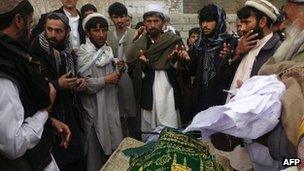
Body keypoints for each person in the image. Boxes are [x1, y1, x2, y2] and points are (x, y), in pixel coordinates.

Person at [0, 1, 70, 170]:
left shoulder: (13, 56)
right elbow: (13, 144)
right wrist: (45, 111)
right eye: (30, 23)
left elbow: (18, 108)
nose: (31, 30)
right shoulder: (4, 72)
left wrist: (49, 121)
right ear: (19, 20)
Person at [29, 13, 85, 170]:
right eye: (49, 29)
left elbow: (71, 75)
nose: (53, 35)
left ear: (67, 32)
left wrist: (77, 81)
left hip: (70, 113)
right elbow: (34, 89)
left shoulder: (67, 52)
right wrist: (57, 85)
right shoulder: (35, 53)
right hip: (50, 120)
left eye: (58, 31)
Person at [127, 7, 189, 141]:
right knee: (150, 131)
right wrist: (141, 64)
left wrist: (177, 60)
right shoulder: (141, 43)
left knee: (171, 130)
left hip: (169, 91)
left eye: (156, 21)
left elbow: (183, 68)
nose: (153, 25)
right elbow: (130, 64)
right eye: (149, 21)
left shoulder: (173, 40)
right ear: (144, 23)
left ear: (163, 22)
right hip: (149, 90)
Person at [77, 13, 124, 170]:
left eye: (104, 30)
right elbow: (83, 85)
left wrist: (120, 67)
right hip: (94, 111)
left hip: (111, 107)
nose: (101, 34)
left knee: (115, 152)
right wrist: (105, 80)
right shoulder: (83, 54)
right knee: (94, 157)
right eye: (96, 31)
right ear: (88, 33)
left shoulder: (108, 52)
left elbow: (115, 76)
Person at [187, 4, 239, 121]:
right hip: (200, 100)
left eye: (209, 21)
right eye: (202, 21)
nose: (204, 25)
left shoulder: (232, 43)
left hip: (221, 100)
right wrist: (184, 59)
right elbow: (192, 72)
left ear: (219, 21)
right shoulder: (199, 45)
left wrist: (228, 58)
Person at [227, 0, 282, 101]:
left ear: (262, 22)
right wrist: (237, 52)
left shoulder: (278, 51)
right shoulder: (242, 44)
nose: (242, 28)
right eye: (241, 22)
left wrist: (248, 93)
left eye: (246, 22)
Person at [107, 2, 139, 139]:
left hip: (131, 78)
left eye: (122, 16)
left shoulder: (135, 34)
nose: (119, 20)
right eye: (115, 17)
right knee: (116, 113)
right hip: (112, 78)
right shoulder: (107, 36)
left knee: (133, 113)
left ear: (126, 17)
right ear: (111, 18)